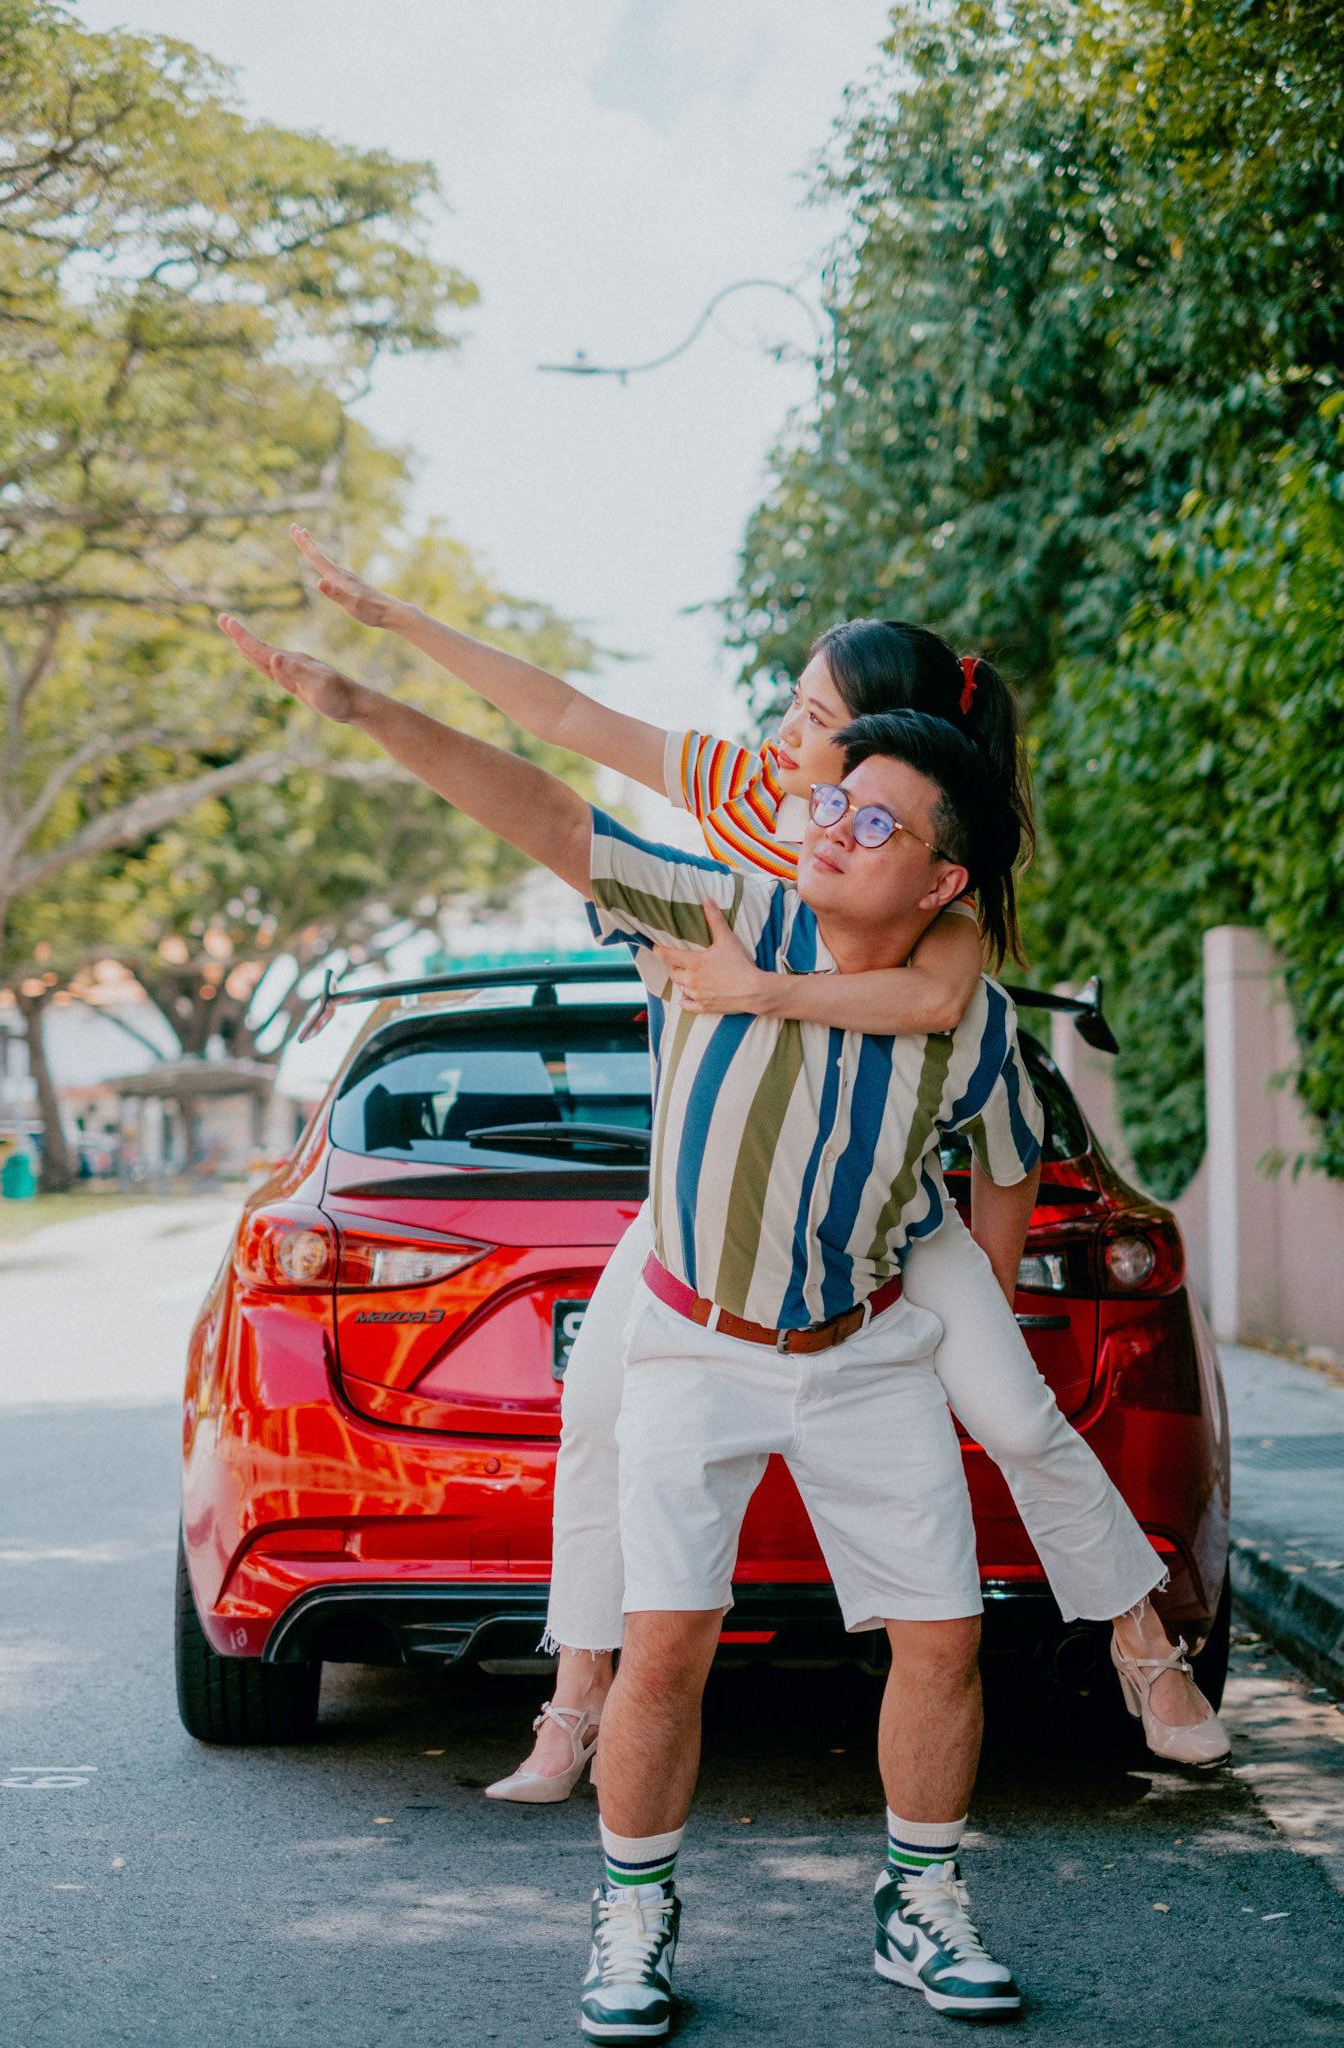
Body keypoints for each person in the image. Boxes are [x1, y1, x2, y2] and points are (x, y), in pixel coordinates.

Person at [286, 528, 1230, 1791]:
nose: (787, 733)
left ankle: (1141, 1637)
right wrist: (394, 627)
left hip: (889, 1223)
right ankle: (577, 1695)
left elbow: (940, 1002)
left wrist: (766, 992)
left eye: (816, 716)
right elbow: (564, 728)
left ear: (889, 750)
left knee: (1016, 1410)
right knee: (598, 1414)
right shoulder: (750, 797)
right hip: (707, 1208)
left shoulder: (919, 868)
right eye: (794, 704)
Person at [217, 607, 1044, 2028]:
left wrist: (993, 1311)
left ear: (942, 878)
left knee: (942, 1638)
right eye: (830, 799)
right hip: (692, 1343)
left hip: (864, 1353)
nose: (829, 823)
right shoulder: (710, 907)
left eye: (875, 821)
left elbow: (1010, 1156)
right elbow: (548, 804)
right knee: (664, 1643)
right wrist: (365, 705)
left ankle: (922, 1902)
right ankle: (635, 1914)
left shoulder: (959, 1009)